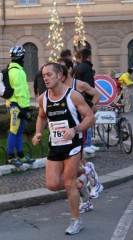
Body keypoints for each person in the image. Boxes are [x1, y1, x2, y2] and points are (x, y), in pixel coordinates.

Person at [32, 62, 96, 235]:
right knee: (52, 185)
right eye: (43, 75)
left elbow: (90, 118)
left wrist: (75, 130)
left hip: (73, 144)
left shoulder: (73, 96)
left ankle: (76, 221)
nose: (45, 78)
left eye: (49, 75)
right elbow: (42, 117)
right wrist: (38, 132)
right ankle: (83, 178)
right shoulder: (43, 98)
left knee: (68, 184)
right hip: (56, 145)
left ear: (60, 76)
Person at [57, 57, 104, 206]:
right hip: (63, 131)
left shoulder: (79, 85)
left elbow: (97, 94)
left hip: (78, 128)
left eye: (62, 67)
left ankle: (93, 181)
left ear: (70, 69)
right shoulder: (57, 87)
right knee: (73, 163)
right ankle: (87, 182)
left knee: (78, 159)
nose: (59, 71)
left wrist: (89, 111)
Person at [6, 46, 36, 166]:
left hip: (19, 106)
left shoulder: (16, 70)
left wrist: (25, 109)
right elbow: (19, 92)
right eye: (23, 56)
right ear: (20, 57)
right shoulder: (17, 72)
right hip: (16, 106)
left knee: (19, 132)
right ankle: (10, 157)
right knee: (13, 132)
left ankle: (21, 155)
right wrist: (24, 109)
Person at [74, 48, 97, 154]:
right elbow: (89, 85)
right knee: (87, 119)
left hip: (81, 96)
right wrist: (91, 101)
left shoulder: (79, 67)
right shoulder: (86, 68)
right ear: (89, 57)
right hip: (86, 98)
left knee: (85, 119)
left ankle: (88, 143)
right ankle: (87, 143)